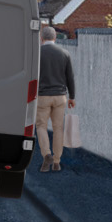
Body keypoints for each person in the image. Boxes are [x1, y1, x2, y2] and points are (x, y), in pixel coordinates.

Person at [32, 26, 79, 172]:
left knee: (41, 126)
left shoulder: (37, 54)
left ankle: (46, 154)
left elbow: (32, 76)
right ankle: (57, 162)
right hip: (60, 97)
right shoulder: (64, 53)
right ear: (55, 37)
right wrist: (72, 96)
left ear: (41, 38)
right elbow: (70, 77)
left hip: (42, 97)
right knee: (58, 128)